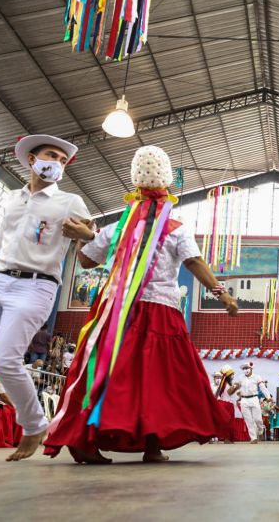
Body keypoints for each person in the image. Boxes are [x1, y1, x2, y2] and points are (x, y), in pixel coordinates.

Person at [43, 145, 237, 464]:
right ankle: (152, 443)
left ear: (135, 182)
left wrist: (85, 236)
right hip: (160, 313)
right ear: (169, 182)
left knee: (111, 374)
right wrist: (223, 294)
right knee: (158, 379)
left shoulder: (118, 226)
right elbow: (195, 262)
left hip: (116, 313)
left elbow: (87, 261)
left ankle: (88, 438)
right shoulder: (176, 227)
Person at [0, 134, 94, 466]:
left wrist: (88, 235)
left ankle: (35, 423)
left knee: (5, 360)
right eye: (50, 155)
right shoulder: (12, 198)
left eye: (62, 160)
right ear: (32, 159)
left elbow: (91, 249)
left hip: (38, 285)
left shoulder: (70, 201)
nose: (56, 162)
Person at [237, 362, 271, 444]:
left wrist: (268, 397)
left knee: (257, 419)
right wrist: (238, 394)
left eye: (247, 368)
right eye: (244, 369)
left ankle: (260, 429)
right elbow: (238, 388)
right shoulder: (240, 378)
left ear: (251, 368)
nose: (245, 370)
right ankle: (253, 438)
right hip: (244, 400)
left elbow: (262, 387)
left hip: (254, 398)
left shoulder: (257, 377)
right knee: (248, 420)